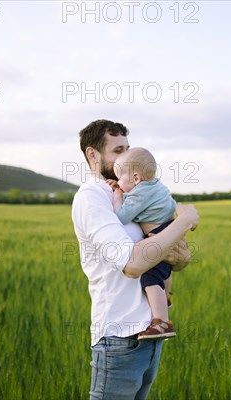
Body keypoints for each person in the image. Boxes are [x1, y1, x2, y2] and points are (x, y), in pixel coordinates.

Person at [71, 119, 199, 400]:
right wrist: (185, 221)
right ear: (93, 154)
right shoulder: (92, 197)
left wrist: (175, 250)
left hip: (151, 333)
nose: (126, 157)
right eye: (118, 150)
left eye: (128, 149)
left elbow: (179, 259)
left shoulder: (135, 192)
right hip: (119, 336)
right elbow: (133, 265)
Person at [107, 147, 179, 340]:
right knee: (165, 268)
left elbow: (121, 216)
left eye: (120, 178)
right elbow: (171, 204)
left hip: (159, 233)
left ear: (136, 178)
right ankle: (165, 296)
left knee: (150, 274)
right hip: (170, 227)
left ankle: (162, 322)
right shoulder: (155, 184)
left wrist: (117, 195)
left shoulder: (139, 194)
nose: (118, 183)